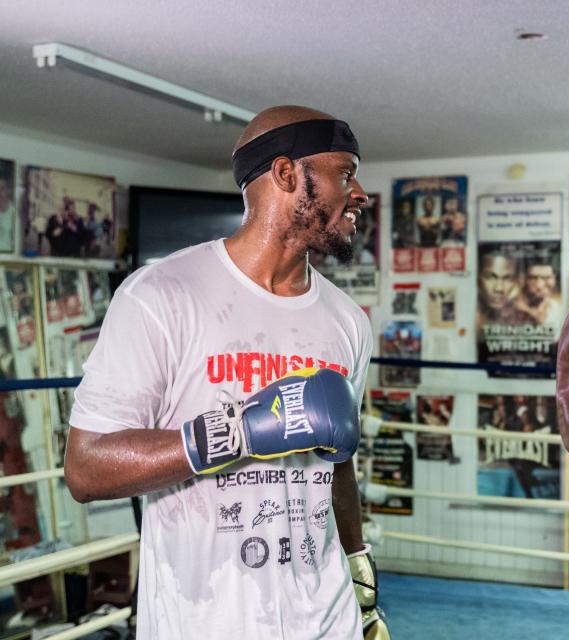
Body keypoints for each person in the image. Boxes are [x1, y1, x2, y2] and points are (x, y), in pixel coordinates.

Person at [64, 106, 389, 639]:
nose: (360, 195)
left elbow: (338, 465)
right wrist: (238, 432)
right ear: (286, 175)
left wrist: (360, 575)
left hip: (329, 620)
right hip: (205, 617)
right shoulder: (162, 296)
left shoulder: (347, 322)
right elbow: (85, 468)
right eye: (346, 173)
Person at [475, 251, 535, 326]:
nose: (499, 289)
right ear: (478, 278)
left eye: (507, 278)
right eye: (490, 277)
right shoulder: (468, 313)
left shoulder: (524, 318)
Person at [513, 260, 563, 327]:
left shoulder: (559, 310)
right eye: (533, 278)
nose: (539, 285)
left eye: (546, 278)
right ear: (523, 279)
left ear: (555, 279)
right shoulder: (510, 309)